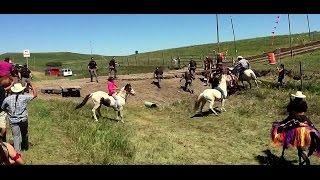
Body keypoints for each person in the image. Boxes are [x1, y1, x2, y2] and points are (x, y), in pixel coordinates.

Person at [1, 83, 37, 153]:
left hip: (13, 120)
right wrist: (33, 86)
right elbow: (35, 95)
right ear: (21, 90)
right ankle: (25, 147)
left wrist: (8, 110)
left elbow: (3, 107)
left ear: (13, 90)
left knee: (16, 136)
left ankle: (17, 152)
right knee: (24, 133)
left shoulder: (7, 99)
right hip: (23, 119)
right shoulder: (24, 97)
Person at [0, 77, 14, 142]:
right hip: (1, 110)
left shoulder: (2, 88)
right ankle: (2, 139)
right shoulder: (2, 89)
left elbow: (5, 89)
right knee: (3, 127)